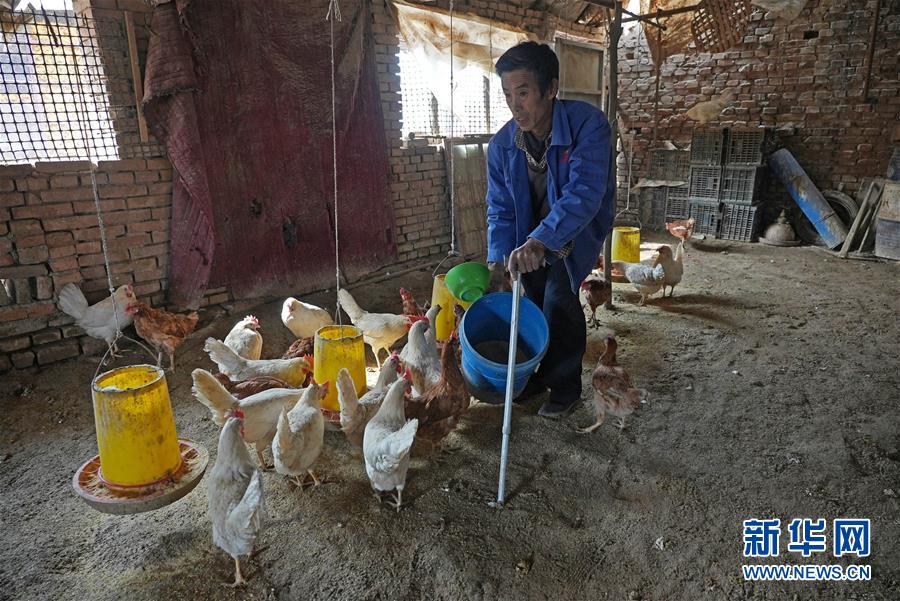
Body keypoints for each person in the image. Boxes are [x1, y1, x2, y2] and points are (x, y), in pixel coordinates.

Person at [485, 41, 615, 418]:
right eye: (508, 94)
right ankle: (536, 374)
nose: (514, 104)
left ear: (551, 88)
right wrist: (498, 260)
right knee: (527, 300)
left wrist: (542, 241)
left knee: (558, 300)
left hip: (573, 230)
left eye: (523, 93)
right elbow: (501, 208)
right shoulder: (502, 145)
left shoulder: (589, 126)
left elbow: (584, 194)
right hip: (528, 237)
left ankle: (565, 386)